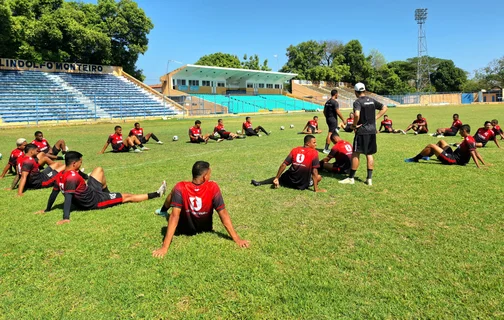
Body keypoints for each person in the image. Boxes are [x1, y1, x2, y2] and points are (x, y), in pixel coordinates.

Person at [152, 161, 249, 258]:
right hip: (205, 229)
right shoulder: (213, 187)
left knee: (175, 191)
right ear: (205, 176)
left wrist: (164, 247)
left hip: (184, 230)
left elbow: (174, 216)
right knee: (177, 191)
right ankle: (163, 211)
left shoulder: (180, 186)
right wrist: (237, 239)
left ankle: (163, 210)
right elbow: (223, 213)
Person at [40, 151, 166, 224]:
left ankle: (108, 194)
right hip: (95, 201)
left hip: (91, 191)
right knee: (127, 196)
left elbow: (54, 194)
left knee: (98, 170)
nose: (81, 163)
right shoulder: (72, 177)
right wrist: (66, 218)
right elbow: (68, 198)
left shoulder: (61, 175)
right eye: (80, 162)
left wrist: (47, 210)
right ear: (74, 163)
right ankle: (157, 193)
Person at [339, 82, 388, 186]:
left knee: (356, 153)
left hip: (362, 131)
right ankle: (369, 179)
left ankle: (351, 178)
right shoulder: (372, 100)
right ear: (364, 90)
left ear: (356, 92)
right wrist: (375, 118)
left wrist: (354, 125)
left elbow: (356, 114)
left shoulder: (357, 102)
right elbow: (385, 108)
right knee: (369, 154)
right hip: (372, 131)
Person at [251, 135, 326, 192]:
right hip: (301, 184)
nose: (316, 144)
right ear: (308, 143)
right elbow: (314, 171)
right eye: (314, 142)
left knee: (279, 178)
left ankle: (260, 183)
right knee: (319, 177)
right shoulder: (314, 153)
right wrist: (316, 189)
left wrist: (277, 177)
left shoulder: (295, 150)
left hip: (289, 180)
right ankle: (273, 180)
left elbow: (284, 164)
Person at [405, 124, 486, 168]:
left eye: (460, 131)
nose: (459, 133)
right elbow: (476, 152)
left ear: (464, 131)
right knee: (442, 141)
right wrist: (484, 163)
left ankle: (415, 159)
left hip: (452, 160)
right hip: (453, 155)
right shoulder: (470, 138)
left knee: (431, 145)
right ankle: (427, 156)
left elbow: (473, 153)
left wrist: (478, 166)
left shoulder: (469, 140)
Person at [323, 89, 345, 153]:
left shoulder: (327, 102)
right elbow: (337, 112)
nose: (338, 95)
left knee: (334, 133)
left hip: (328, 119)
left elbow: (324, 111)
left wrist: (328, 117)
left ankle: (338, 146)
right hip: (333, 120)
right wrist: (343, 119)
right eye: (337, 94)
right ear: (335, 94)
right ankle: (326, 149)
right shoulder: (335, 102)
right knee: (330, 133)